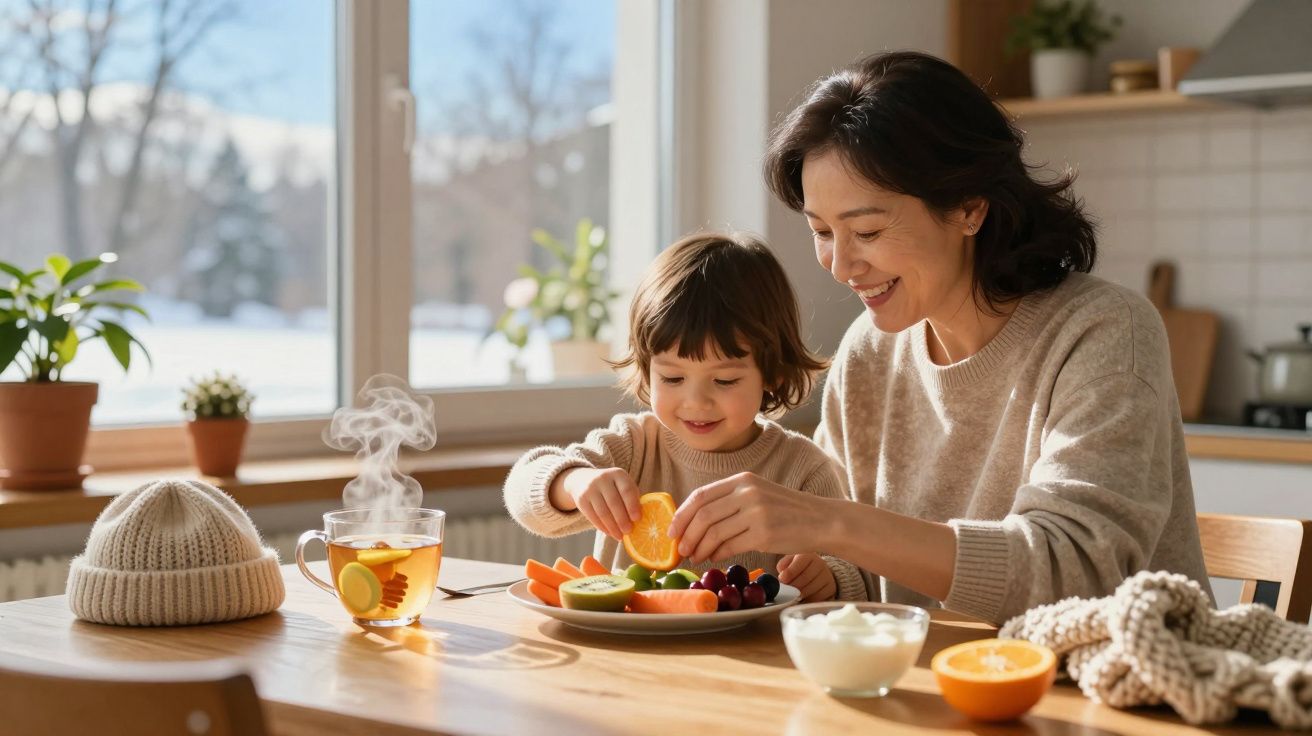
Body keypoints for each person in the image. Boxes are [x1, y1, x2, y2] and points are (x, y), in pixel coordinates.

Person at [666, 50, 1212, 624]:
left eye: (868, 230)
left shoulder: (1102, 332)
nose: (840, 264)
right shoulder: (870, 351)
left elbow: (1072, 570)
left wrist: (830, 523)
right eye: (822, 232)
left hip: (1115, 691)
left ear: (969, 207)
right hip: (932, 687)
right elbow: (847, 570)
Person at [503, 232, 866, 602]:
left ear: (772, 372)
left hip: (750, 655)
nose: (696, 402)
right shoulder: (633, 445)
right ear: (647, 371)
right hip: (630, 650)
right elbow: (523, 493)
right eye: (672, 378)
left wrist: (830, 579)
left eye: (724, 380)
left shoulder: (803, 469)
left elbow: (855, 577)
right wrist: (574, 482)